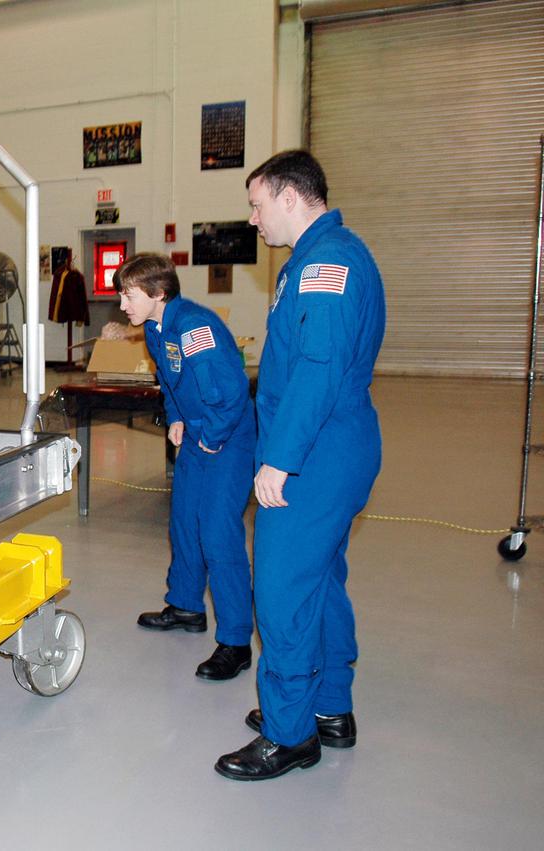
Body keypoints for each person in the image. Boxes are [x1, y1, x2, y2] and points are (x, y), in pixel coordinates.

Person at [215, 150, 385, 781]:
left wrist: (279, 462)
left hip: (314, 456)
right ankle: (330, 709)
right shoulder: (318, 258)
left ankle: (291, 734)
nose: (253, 219)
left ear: (290, 196)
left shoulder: (326, 263)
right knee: (320, 583)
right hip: (333, 448)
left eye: (257, 204)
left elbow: (317, 369)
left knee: (282, 589)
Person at [123, 254, 256, 681]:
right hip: (198, 431)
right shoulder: (153, 327)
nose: (122, 303)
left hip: (227, 437)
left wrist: (211, 438)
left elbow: (232, 391)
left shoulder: (195, 327)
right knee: (183, 523)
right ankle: (185, 605)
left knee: (218, 533)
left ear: (158, 293)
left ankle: (235, 641)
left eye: (129, 294)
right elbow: (170, 379)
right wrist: (176, 416)